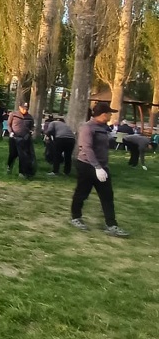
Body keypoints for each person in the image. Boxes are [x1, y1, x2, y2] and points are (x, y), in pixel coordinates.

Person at [71, 101, 128, 237]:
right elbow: (87, 148)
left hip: (102, 167)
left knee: (107, 196)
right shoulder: (87, 128)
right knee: (82, 193)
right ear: (103, 114)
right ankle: (76, 217)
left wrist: (102, 167)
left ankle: (111, 225)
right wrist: (97, 167)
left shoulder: (103, 127)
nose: (111, 115)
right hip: (86, 165)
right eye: (110, 113)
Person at [7, 101, 35, 177]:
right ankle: (9, 167)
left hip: (24, 139)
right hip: (14, 137)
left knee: (23, 155)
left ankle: (21, 172)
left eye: (26, 109)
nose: (25, 110)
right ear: (20, 107)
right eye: (24, 108)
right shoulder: (13, 114)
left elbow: (32, 126)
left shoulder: (30, 117)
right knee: (13, 154)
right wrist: (11, 132)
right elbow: (9, 125)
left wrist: (31, 131)